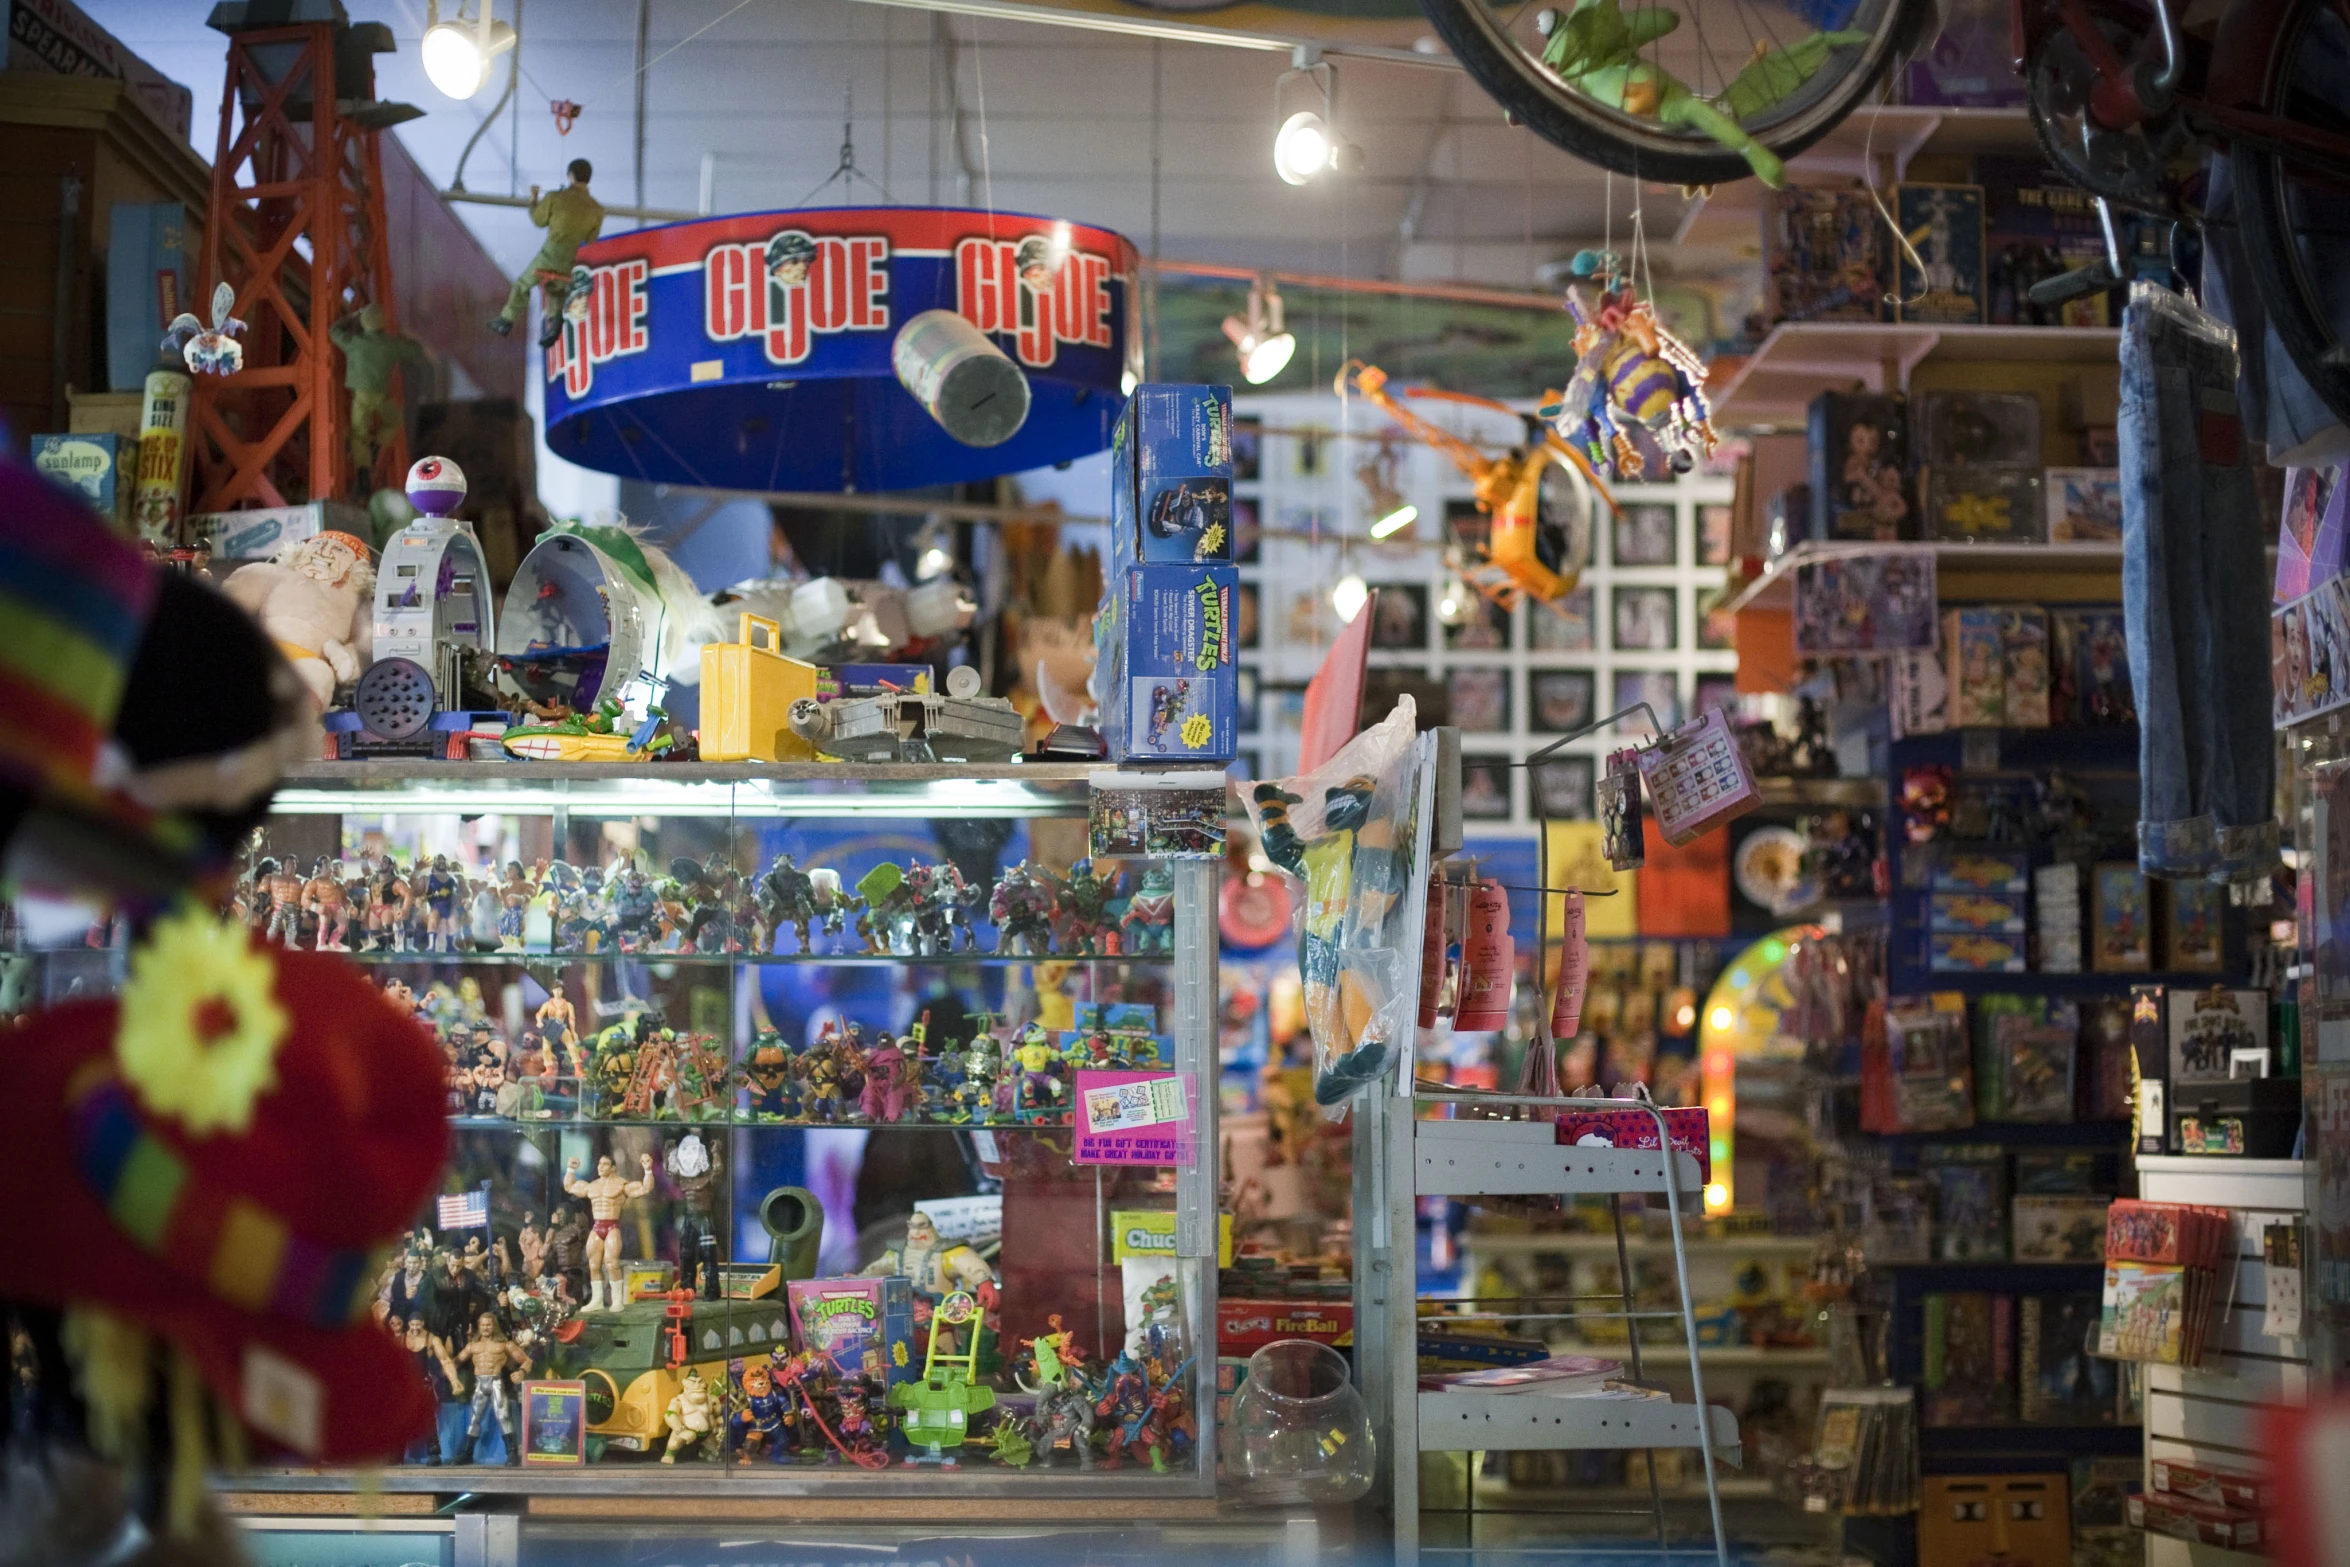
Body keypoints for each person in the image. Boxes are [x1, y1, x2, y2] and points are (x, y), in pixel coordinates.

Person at [491, 159, 606, 348]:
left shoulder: (555, 197)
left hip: (550, 253)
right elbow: (592, 240)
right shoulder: (597, 210)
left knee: (522, 284)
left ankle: (506, 321)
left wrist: (534, 200)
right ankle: (555, 324)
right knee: (555, 288)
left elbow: (538, 220)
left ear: (570, 175)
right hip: (571, 259)